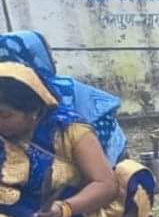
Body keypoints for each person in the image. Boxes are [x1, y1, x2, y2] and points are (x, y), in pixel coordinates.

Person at [0, 63, 157, 217]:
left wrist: (64, 209)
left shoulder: (70, 130)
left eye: (5, 116)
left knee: (132, 174)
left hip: (82, 213)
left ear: (33, 111)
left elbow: (104, 184)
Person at [1, 30, 130, 166]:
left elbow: (105, 167)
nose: (55, 60)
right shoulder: (12, 96)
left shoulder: (73, 99)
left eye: (5, 115)